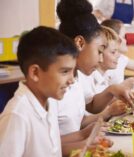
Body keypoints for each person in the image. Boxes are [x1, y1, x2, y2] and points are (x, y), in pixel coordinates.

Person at [56, 0, 131, 155]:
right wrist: (84, 141)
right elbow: (44, 144)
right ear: (79, 43)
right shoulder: (54, 88)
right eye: (99, 51)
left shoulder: (76, 77)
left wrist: (87, 133)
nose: (101, 60)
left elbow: (80, 117)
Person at [0, 26, 78, 156]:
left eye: (73, 71)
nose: (72, 80)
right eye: (65, 71)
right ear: (35, 72)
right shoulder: (17, 116)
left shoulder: (50, 101)